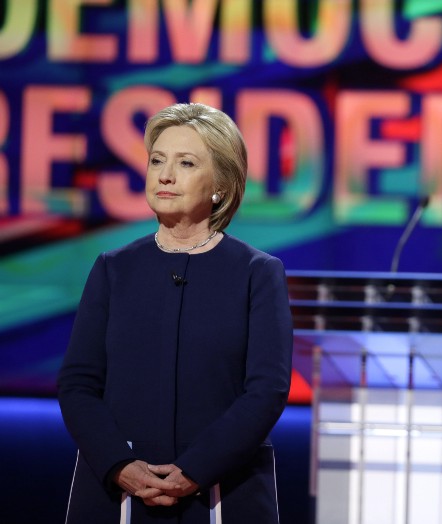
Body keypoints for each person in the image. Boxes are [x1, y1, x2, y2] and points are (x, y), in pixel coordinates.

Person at [58, 103, 293, 523]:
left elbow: (266, 391)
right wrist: (119, 466)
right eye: (156, 161)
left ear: (221, 183)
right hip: (117, 496)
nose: (164, 175)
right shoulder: (114, 269)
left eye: (186, 163)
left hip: (223, 494)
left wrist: (194, 471)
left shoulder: (257, 273)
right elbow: (78, 384)